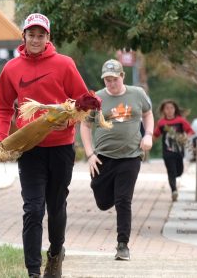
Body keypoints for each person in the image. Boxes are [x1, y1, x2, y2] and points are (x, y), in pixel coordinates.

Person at [0, 13, 89, 278]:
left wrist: (68, 121)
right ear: (23, 36)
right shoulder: (11, 68)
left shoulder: (64, 64)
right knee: (33, 209)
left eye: (41, 35)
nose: (36, 39)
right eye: (31, 35)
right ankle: (33, 271)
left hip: (61, 148)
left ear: (48, 38)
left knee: (56, 207)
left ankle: (56, 254)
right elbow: (2, 108)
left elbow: (84, 102)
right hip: (29, 148)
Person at [79, 59, 153, 262]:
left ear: (122, 77)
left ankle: (122, 245)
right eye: (107, 80)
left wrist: (148, 135)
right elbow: (85, 127)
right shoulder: (97, 99)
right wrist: (90, 154)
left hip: (130, 156)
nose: (111, 83)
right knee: (103, 201)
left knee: (123, 200)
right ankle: (112, 192)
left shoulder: (137, 94)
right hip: (103, 157)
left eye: (114, 79)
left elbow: (147, 114)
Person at [152, 99, 194, 201]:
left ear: (175, 109)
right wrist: (147, 143)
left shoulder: (180, 121)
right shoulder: (161, 123)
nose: (169, 110)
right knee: (171, 172)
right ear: (163, 110)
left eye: (171, 108)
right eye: (167, 108)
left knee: (178, 172)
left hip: (179, 151)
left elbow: (190, 131)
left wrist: (186, 138)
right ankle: (174, 191)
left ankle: (175, 181)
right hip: (167, 152)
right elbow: (155, 135)